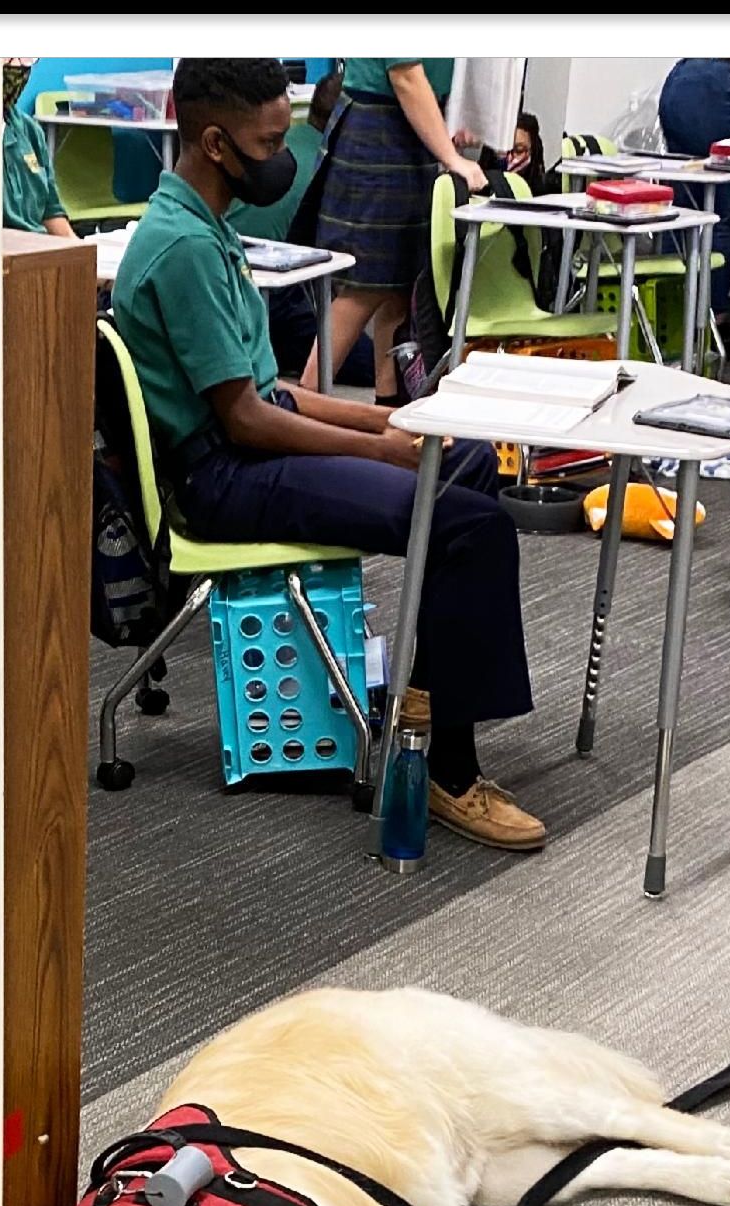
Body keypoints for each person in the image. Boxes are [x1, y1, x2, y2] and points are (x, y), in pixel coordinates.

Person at [111, 59, 545, 851]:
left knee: (468, 462)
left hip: (246, 449)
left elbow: (269, 391)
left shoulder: (202, 226)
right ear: (215, 143)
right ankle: (445, 768)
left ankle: (422, 690)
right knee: (470, 528)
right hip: (225, 480)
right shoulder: (182, 249)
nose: (284, 158)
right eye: (268, 143)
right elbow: (247, 422)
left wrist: (391, 423)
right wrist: (384, 452)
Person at [297, 58, 487, 405]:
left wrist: (453, 120)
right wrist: (451, 155)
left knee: (401, 286)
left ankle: (388, 408)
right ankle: (301, 406)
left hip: (411, 127)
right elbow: (404, 76)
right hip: (378, 127)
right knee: (362, 285)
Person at [226, 62, 373, 387]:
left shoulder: (275, 143)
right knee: (370, 362)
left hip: (234, 277)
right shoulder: (337, 166)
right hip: (276, 292)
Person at [658, 58, 730, 317]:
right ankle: (709, 318)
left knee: (683, 210)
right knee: (723, 210)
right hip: (719, 86)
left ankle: (669, 315)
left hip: (679, 82)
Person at [2, 57, 78, 239]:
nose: (17, 65)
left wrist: (83, 251)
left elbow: (52, 214)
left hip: (37, 248)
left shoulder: (30, 131)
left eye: (25, 57)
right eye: (7, 56)